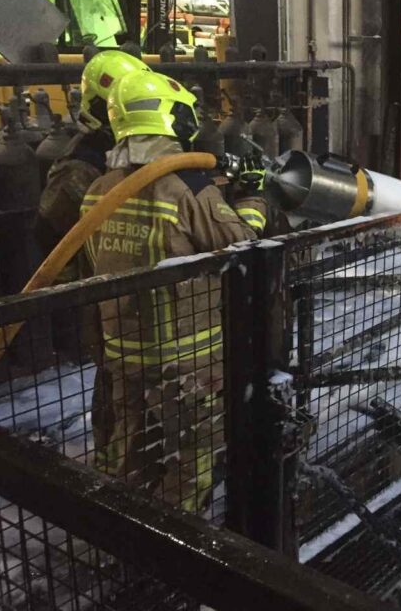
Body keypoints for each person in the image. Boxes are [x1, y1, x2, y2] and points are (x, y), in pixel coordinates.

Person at [82, 69, 268, 512]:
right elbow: (243, 244)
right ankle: (176, 553)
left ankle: (118, 532)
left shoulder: (99, 190)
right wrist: (253, 197)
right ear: (169, 120)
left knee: (127, 453)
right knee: (190, 462)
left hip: (122, 352)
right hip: (184, 364)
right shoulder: (185, 190)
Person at [35, 50, 150, 282]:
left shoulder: (117, 148)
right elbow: (49, 235)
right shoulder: (79, 166)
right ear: (101, 106)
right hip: (88, 285)